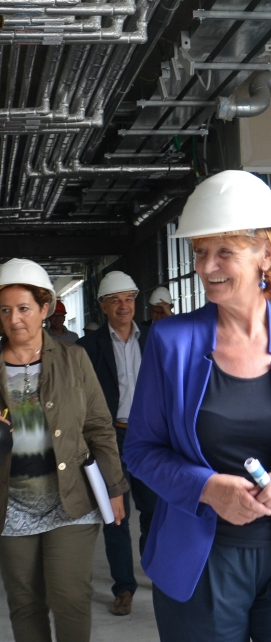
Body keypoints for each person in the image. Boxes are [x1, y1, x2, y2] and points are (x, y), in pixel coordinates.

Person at [124, 170, 271, 641]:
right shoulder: (170, 341)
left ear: (266, 254)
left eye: (224, 251)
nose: (207, 267)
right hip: (200, 563)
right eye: (200, 252)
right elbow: (141, 451)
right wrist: (207, 488)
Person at [0, 258, 127, 642]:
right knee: (24, 602)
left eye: (24, 308)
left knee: (70, 597)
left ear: (45, 309)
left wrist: (114, 488)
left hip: (70, 500)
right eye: (4, 310)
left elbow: (98, 427)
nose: (14, 319)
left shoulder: (74, 360)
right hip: (11, 507)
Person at [76, 271, 158, 616]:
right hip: (110, 438)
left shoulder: (154, 338)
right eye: (115, 300)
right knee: (115, 515)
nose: (123, 306)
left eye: (128, 298)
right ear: (103, 307)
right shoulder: (88, 348)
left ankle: (155, 571)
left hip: (149, 438)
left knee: (153, 510)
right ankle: (123, 587)